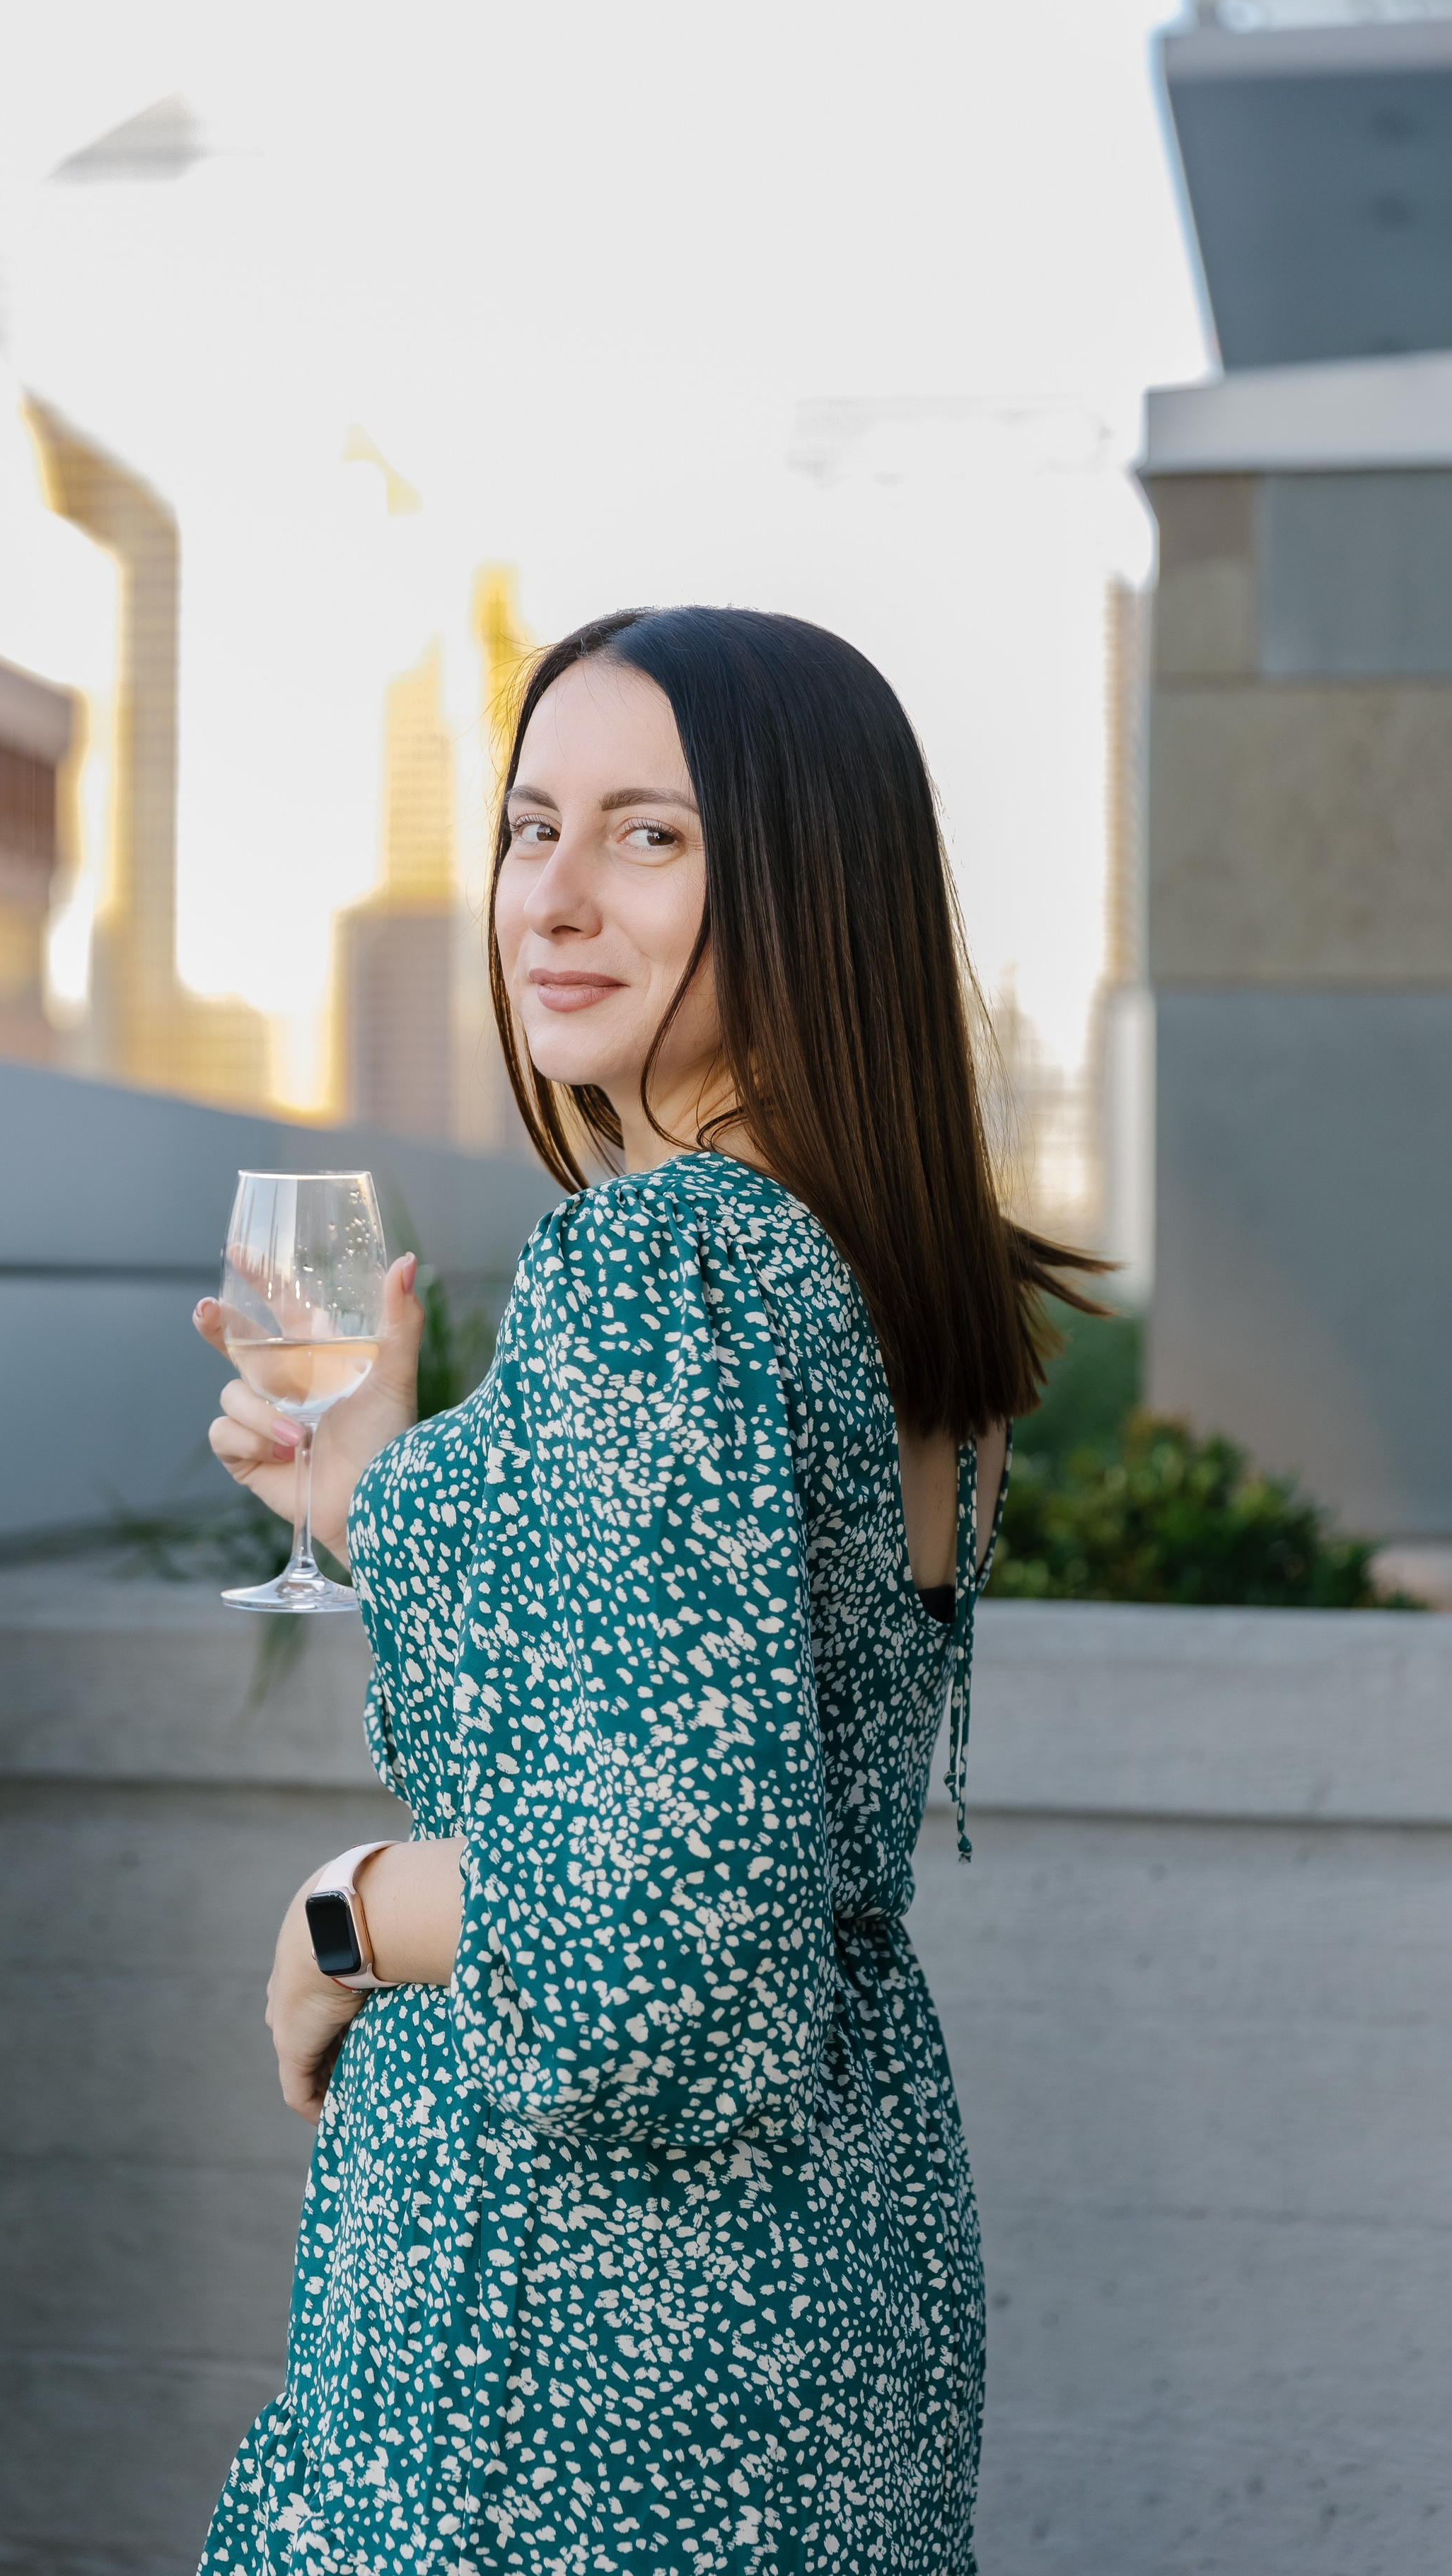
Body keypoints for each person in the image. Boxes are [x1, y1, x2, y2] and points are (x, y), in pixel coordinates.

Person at [192, 608, 1103, 2575]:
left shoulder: (659, 1273)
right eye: (529, 827)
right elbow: (693, 1682)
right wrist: (387, 1493)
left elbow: (656, 1950)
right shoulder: (867, 1263)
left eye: (650, 835)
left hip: (577, 2354)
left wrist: (349, 1913)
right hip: (833, 2290)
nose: (557, 895)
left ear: (806, 881)